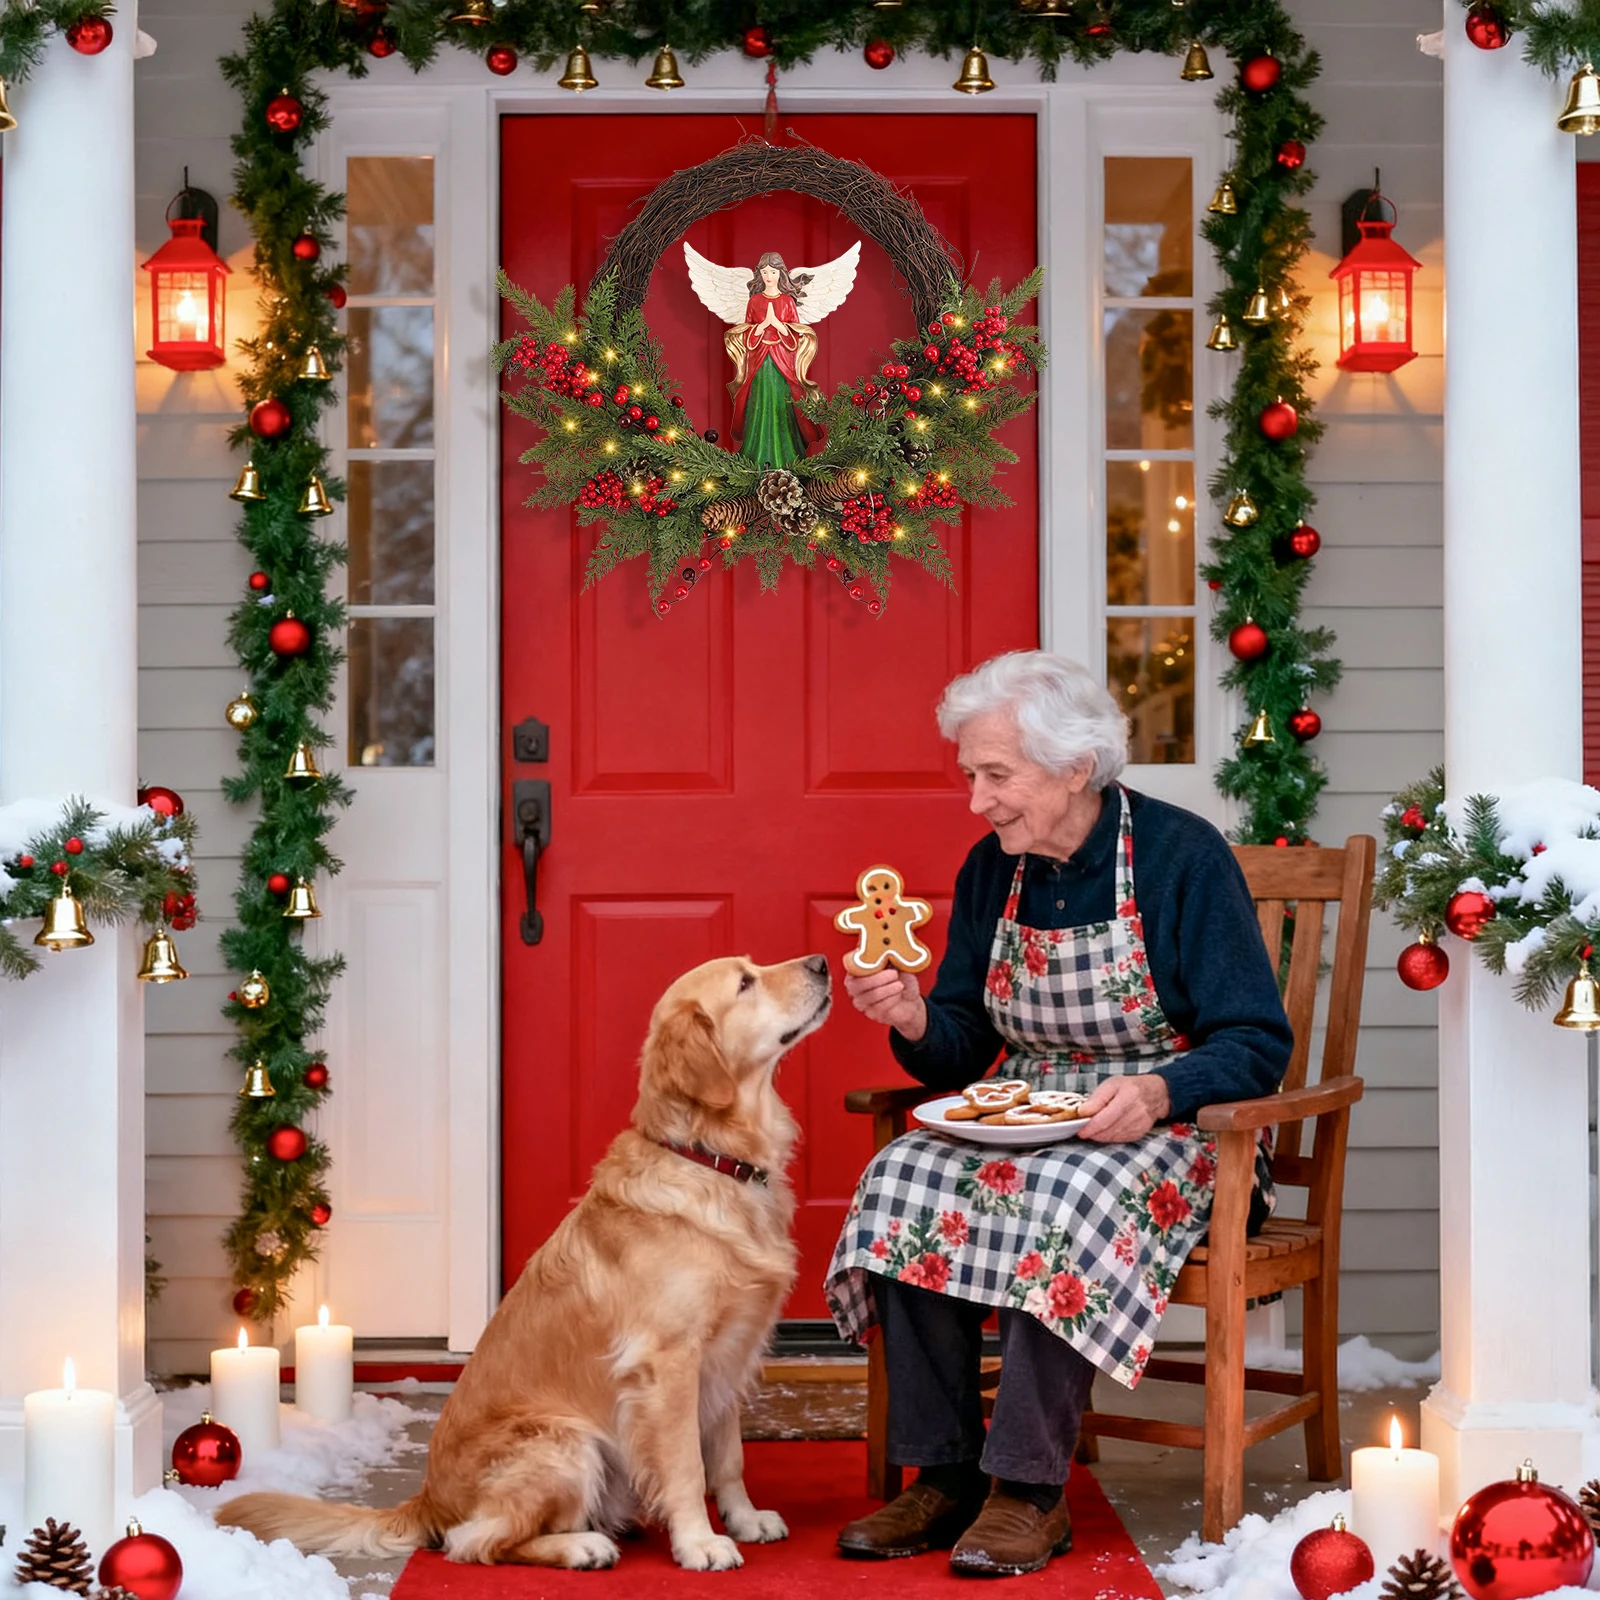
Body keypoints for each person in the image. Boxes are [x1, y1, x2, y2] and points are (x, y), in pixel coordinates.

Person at [825, 651, 1292, 1577]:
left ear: (1076, 766)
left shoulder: (1179, 857)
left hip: (1175, 1128)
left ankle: (1030, 1491)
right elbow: (962, 1039)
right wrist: (915, 1016)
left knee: (1065, 1194)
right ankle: (946, 1472)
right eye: (971, 775)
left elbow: (1254, 1038)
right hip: (1030, 1112)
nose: (977, 801)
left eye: (997, 776)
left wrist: (1163, 1091)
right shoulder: (991, 868)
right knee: (903, 1175)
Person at [725, 252, 822, 467]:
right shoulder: (755, 301)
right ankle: (756, 454)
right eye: (765, 271)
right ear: (759, 274)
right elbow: (745, 332)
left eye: (774, 272)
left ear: (781, 274)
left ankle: (788, 455)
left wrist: (778, 325)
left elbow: (796, 335)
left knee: (784, 400)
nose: (769, 276)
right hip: (758, 359)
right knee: (758, 399)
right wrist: (761, 327)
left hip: (782, 360)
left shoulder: (788, 301)